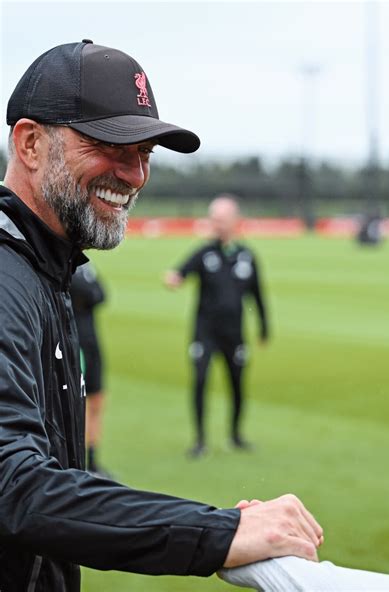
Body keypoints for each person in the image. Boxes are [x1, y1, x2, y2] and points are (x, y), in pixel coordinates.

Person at [0, 40, 323, 591]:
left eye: (145, 152)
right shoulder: (8, 273)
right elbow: (13, 484)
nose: (135, 175)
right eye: (109, 146)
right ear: (30, 143)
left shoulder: (46, 267)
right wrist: (222, 532)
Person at [165, 195, 269, 457]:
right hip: (205, 332)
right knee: (200, 380)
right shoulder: (204, 253)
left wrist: (264, 327)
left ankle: (236, 435)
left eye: (221, 219)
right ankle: (200, 440)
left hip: (234, 334)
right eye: (214, 219)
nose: (217, 224)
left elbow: (258, 295)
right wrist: (173, 278)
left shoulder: (247, 256)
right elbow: (179, 273)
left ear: (235, 221)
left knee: (237, 383)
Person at [70, 260, 110, 476]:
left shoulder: (84, 264)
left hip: (91, 342)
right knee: (76, 403)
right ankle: (78, 464)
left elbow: (100, 294)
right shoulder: (65, 262)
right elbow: (87, 290)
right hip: (73, 342)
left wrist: (89, 294)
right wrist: (89, 293)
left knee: (96, 400)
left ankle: (93, 462)